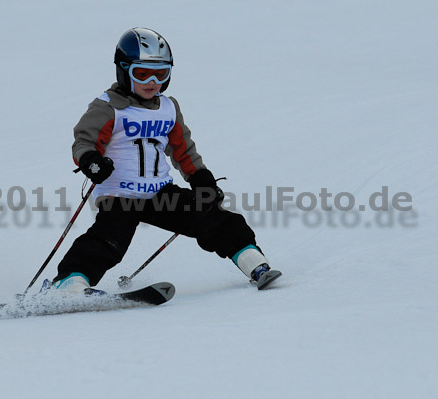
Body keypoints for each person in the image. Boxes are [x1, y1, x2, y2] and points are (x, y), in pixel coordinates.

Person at [52, 27, 281, 293]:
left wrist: (200, 178)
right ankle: (69, 283)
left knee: (212, 218)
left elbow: (183, 150)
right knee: (109, 240)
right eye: (142, 73)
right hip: (120, 194)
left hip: (158, 193)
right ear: (123, 70)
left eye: (161, 73)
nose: (152, 81)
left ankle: (255, 263)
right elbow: (84, 141)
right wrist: (92, 162)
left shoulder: (168, 108)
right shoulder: (108, 107)